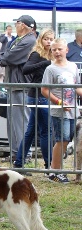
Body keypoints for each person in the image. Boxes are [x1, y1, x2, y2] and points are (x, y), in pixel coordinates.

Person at [13, 29, 54, 174]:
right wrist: (45, 63)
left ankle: (19, 163)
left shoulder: (51, 54)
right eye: (46, 39)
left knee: (31, 131)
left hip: (41, 96)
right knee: (45, 131)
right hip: (37, 96)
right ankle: (49, 165)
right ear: (41, 40)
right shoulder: (37, 54)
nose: (49, 41)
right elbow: (26, 69)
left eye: (51, 39)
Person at [41, 38, 82, 184]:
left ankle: (57, 170)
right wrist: (59, 102)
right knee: (61, 140)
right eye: (54, 50)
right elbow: (44, 90)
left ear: (66, 50)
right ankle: (54, 171)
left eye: (60, 49)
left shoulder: (73, 67)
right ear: (51, 52)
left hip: (72, 111)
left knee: (67, 139)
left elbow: (76, 86)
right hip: (58, 111)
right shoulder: (50, 69)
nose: (57, 52)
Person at [0, 15, 36, 160]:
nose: (15, 25)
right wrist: (5, 56)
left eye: (18, 22)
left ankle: (24, 154)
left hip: (22, 85)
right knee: (13, 121)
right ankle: (16, 152)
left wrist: (5, 57)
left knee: (21, 122)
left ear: (25, 25)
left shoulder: (30, 40)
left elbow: (9, 57)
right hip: (13, 84)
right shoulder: (19, 39)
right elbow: (5, 54)